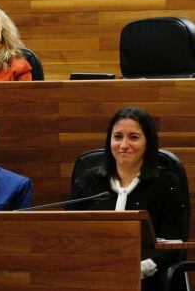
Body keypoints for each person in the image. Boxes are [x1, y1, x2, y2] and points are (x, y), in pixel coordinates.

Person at [69, 107, 185, 280]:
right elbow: (67, 236)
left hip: (147, 282)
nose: (123, 145)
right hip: (90, 277)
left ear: (148, 144)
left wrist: (134, 270)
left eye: (134, 137)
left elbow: (175, 247)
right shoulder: (89, 181)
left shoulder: (166, 183)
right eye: (117, 137)